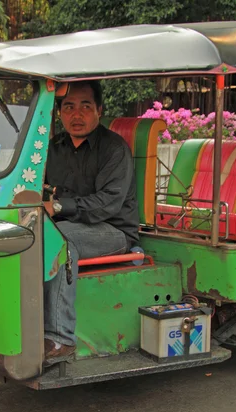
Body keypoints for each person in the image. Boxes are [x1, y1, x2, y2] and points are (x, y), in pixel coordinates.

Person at [43, 80, 139, 363]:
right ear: (59, 112)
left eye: (85, 106)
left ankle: (60, 339)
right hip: (68, 224)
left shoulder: (113, 149)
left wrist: (57, 205)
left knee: (58, 241)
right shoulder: (53, 148)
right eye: (69, 107)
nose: (77, 114)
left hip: (114, 231)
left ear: (99, 110)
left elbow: (108, 204)